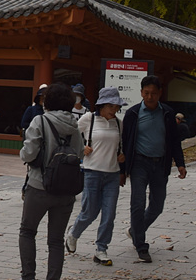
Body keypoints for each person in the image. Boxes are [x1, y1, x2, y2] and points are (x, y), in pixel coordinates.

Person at [18, 83, 83, 280]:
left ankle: (28, 276)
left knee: (27, 232)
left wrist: (24, 153)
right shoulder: (74, 125)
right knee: (56, 240)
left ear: (48, 102)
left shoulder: (40, 121)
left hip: (39, 186)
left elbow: (29, 154)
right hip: (66, 190)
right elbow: (79, 153)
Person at [122, 75, 186, 263]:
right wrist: (122, 171)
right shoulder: (133, 114)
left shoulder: (167, 113)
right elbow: (125, 143)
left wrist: (180, 163)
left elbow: (174, 141)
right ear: (141, 93)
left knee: (157, 205)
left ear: (160, 94)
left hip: (160, 164)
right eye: (146, 93)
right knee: (138, 202)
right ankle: (141, 245)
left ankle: (135, 230)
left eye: (154, 93)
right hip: (139, 163)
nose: (150, 97)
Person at [64, 86, 127, 266]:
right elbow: (70, 137)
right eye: (111, 106)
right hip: (92, 172)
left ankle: (101, 249)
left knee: (109, 214)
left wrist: (122, 157)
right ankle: (73, 234)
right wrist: (81, 148)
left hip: (112, 174)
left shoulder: (118, 123)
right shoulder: (88, 119)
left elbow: (120, 146)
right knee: (89, 212)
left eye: (116, 106)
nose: (114, 110)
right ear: (102, 105)